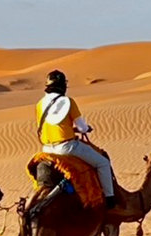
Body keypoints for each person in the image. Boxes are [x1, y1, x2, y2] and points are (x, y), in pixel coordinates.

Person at [36, 70, 116, 209]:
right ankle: (109, 199)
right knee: (102, 163)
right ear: (63, 85)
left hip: (47, 149)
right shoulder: (69, 102)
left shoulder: (40, 104)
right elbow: (82, 126)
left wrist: (70, 129)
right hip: (67, 147)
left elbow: (45, 127)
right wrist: (84, 129)